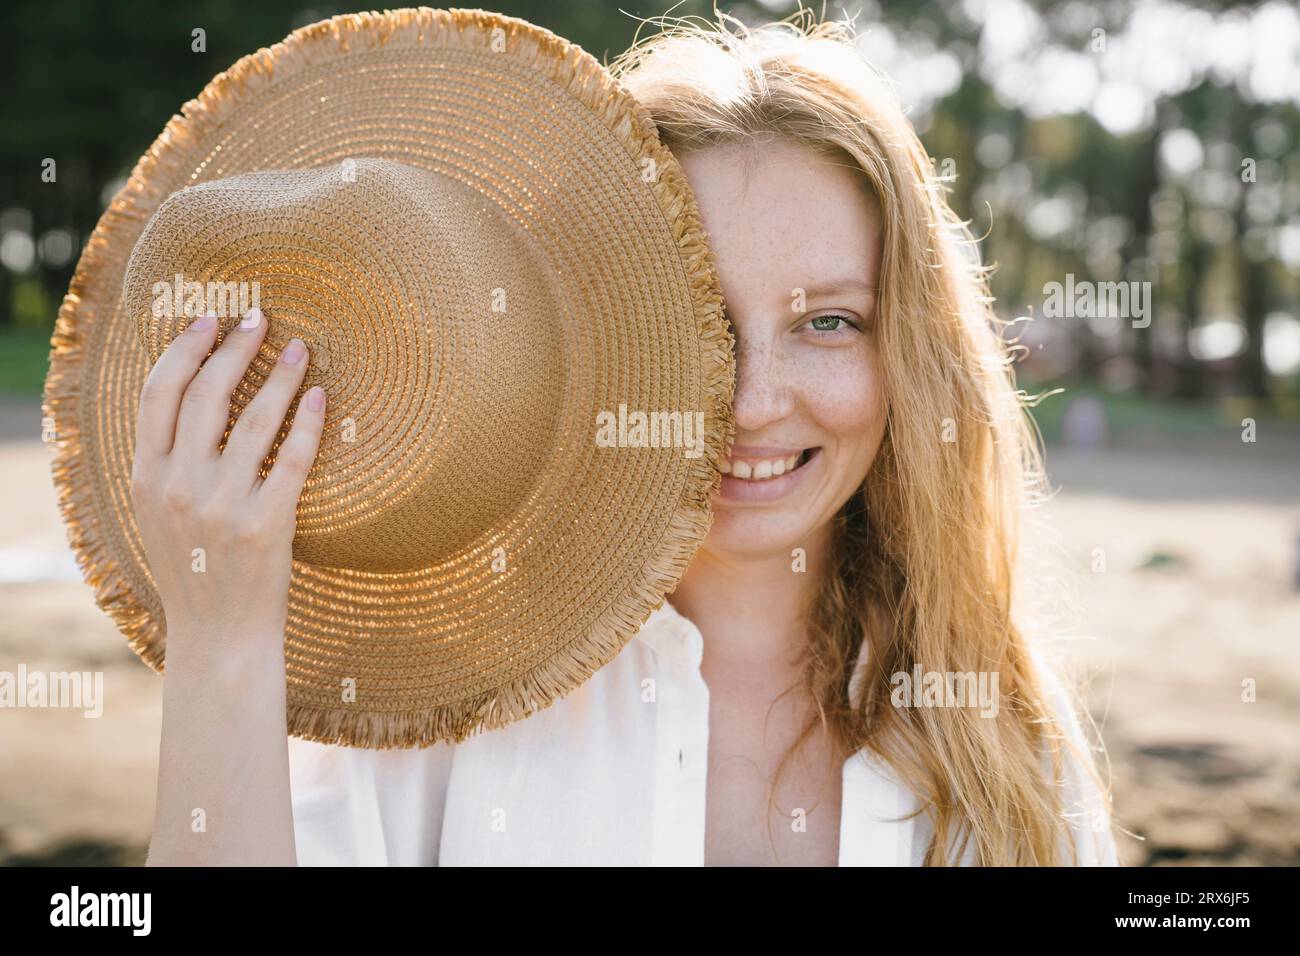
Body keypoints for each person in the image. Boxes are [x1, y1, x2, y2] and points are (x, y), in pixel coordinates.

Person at [138, 11, 1118, 866]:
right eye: (698, 321)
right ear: (600, 329)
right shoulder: (436, 699)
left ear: (908, 351)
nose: (752, 402)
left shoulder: (1006, 739)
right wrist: (222, 641)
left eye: (830, 321)